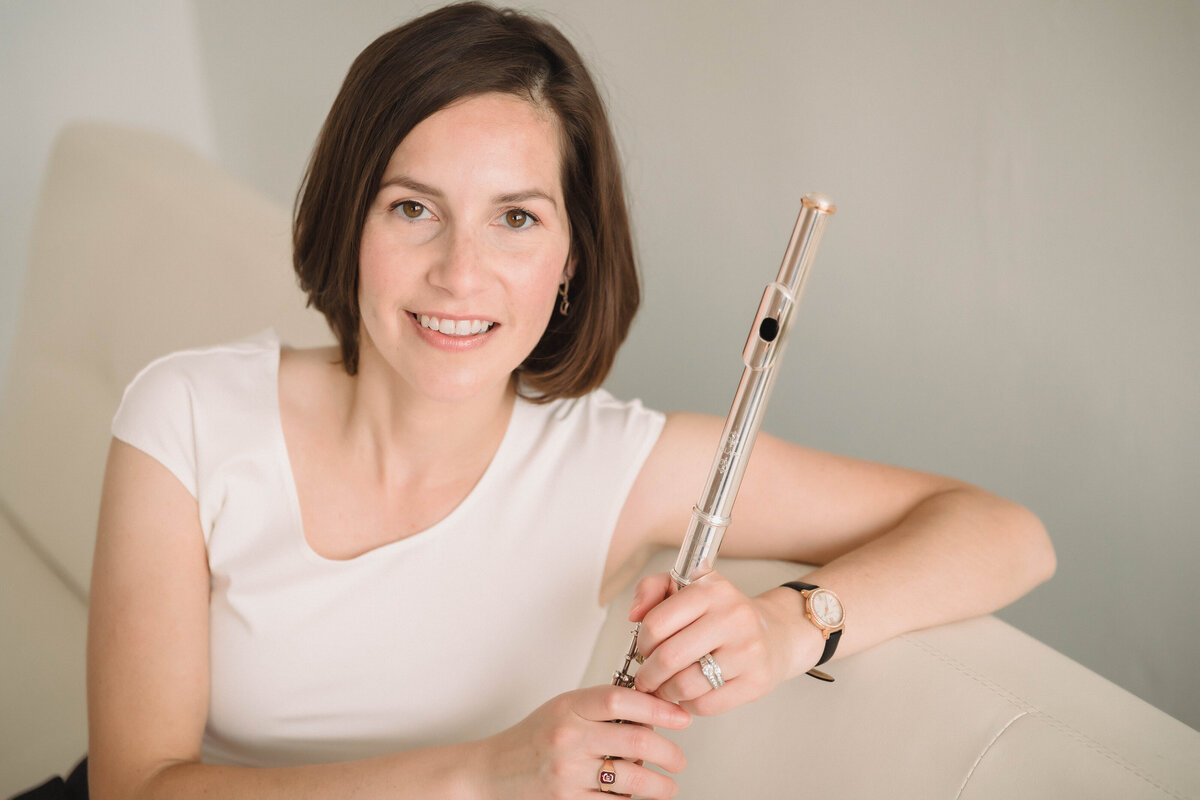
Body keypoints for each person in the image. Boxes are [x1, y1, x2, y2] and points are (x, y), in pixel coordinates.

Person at [85, 3, 1056, 799]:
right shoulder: (189, 416)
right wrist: (483, 770)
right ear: (351, 221)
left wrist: (790, 623)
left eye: (516, 218)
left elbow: (1006, 531)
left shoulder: (623, 465)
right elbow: (137, 787)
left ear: (570, 258)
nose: (460, 273)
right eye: (413, 207)